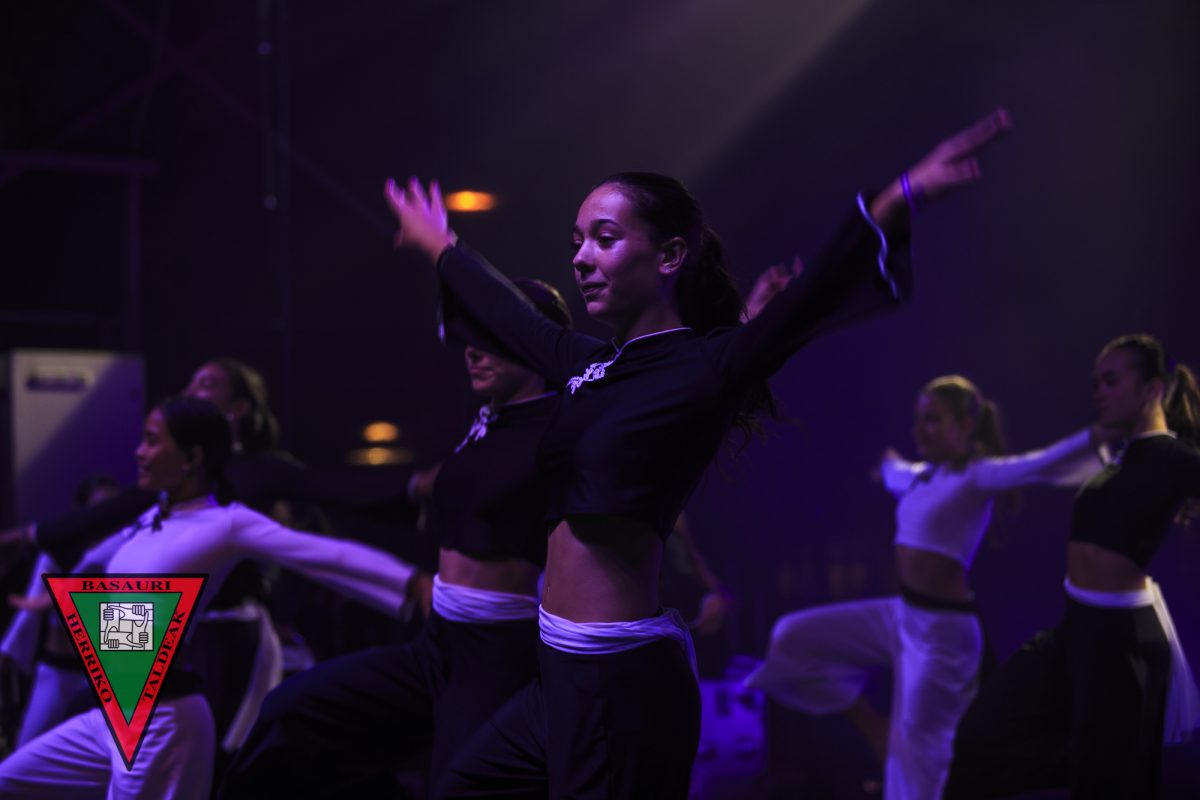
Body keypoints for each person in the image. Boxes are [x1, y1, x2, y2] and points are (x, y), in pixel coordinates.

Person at [382, 108, 1013, 798]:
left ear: (670, 256)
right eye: (577, 242)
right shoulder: (589, 366)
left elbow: (809, 301)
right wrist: (439, 244)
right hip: (557, 668)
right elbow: (509, 315)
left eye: (604, 239)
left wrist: (895, 200)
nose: (581, 258)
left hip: (618, 681)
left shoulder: (706, 367)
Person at [220, 279, 574, 797]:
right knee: (291, 715)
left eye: (492, 335)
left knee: (459, 785)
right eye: (470, 336)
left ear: (532, 337)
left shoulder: (558, 427)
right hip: (437, 642)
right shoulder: (488, 420)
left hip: (496, 652)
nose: (472, 350)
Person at [0, 397, 423, 800]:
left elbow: (321, 554)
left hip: (162, 723)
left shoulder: (226, 523)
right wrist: (54, 597)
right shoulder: (152, 517)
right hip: (111, 716)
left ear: (192, 458)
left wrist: (410, 583)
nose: (139, 452)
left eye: (151, 440)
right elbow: (100, 563)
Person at [744, 375, 1109, 799]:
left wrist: (1101, 437)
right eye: (918, 420)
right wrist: (885, 466)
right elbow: (894, 469)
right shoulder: (919, 475)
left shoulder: (976, 475)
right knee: (792, 637)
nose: (920, 430)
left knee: (921, 759)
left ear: (965, 426)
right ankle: (874, 728)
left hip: (944, 635)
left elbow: (1040, 464)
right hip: (902, 615)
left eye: (932, 421)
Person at [945, 334, 1200, 799]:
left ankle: (1104, 760)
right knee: (981, 736)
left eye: (1110, 381)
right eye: (1095, 383)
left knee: (1106, 781)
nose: (1098, 392)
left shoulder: (1170, 457)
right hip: (1076, 629)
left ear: (1152, 390)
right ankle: (1097, 756)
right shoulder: (1120, 455)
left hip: (1123, 642)